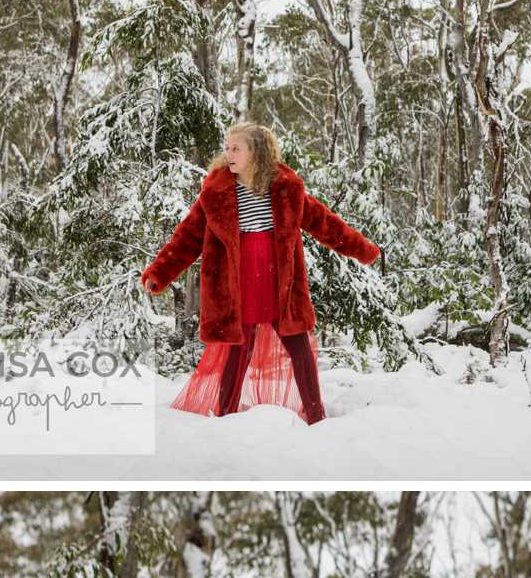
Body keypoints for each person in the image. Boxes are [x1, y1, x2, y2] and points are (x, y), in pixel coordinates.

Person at [140, 121, 379, 425]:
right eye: (227, 148)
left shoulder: (285, 189)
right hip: (237, 281)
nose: (229, 154)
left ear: (256, 152)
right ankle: (226, 415)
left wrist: (363, 250)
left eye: (236, 148)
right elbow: (186, 238)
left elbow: (326, 224)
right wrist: (160, 272)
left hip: (280, 279)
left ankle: (316, 415)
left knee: (299, 346)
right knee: (238, 348)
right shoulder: (216, 193)